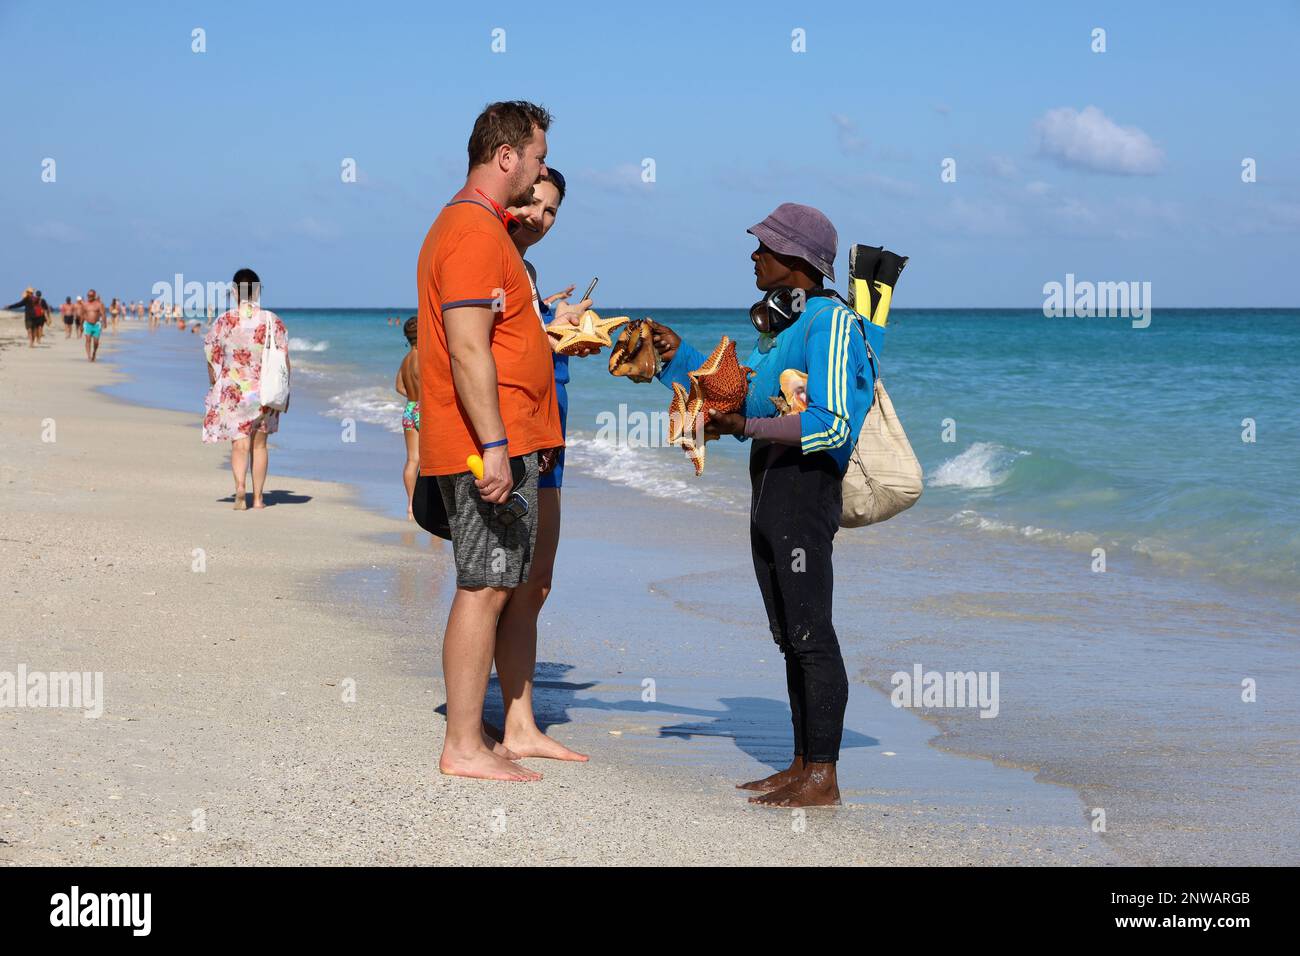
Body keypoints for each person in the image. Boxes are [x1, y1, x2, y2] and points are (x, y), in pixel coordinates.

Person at [649, 204, 880, 808]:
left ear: (797, 260)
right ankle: (802, 763)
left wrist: (746, 427)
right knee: (787, 633)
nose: (753, 256)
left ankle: (823, 777)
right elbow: (745, 389)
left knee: (811, 634)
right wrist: (677, 358)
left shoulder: (831, 322)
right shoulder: (780, 330)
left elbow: (831, 425)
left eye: (764, 248)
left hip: (805, 493)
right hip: (771, 490)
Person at [416, 100, 580, 782]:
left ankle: (499, 734)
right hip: (487, 444)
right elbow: (466, 348)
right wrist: (492, 446)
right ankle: (462, 745)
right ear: (507, 155)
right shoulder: (474, 231)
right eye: (538, 157)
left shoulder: (480, 228)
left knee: (501, 584)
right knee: (483, 586)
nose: (541, 170)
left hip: (508, 442)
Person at [491, 165, 590, 762]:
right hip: (508, 438)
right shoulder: (487, 248)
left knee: (537, 581)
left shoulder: (524, 269)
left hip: (547, 435)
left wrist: (550, 321)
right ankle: (493, 720)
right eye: (532, 202)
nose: (539, 218)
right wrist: (549, 326)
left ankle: (520, 723)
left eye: (551, 211)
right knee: (498, 583)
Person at [202, 268, 290, 511]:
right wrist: (286, 391)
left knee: (239, 445)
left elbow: (211, 355)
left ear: (233, 292)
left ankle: (240, 487)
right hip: (265, 392)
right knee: (259, 446)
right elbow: (282, 359)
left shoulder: (224, 321)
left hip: (234, 392)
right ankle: (259, 498)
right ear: (259, 291)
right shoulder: (272, 321)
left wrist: (215, 382)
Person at [395, 316, 421, 519]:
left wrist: (413, 396)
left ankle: (411, 505)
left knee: (412, 459)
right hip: (425, 409)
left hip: (410, 408)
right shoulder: (425, 357)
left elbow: (399, 387)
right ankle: (430, 505)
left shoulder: (405, 360)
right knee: (430, 461)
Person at [81, 289, 106, 361]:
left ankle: (94, 353)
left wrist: (104, 323)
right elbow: (83, 315)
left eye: (91, 295)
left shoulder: (99, 304)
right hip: (87, 324)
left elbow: (103, 314)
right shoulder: (85, 304)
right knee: (88, 340)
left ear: (94, 296)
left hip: (96, 325)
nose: (89, 297)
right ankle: (89, 356)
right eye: (88, 295)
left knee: (96, 342)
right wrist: (81, 325)